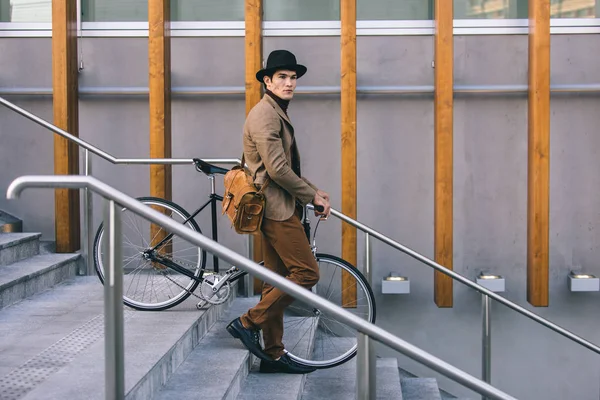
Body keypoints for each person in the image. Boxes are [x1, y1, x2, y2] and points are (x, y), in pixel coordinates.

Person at [226, 49, 331, 374]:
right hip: (276, 209)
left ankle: (272, 353)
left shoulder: (275, 111)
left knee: (274, 282)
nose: (289, 83)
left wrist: (315, 190)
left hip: (278, 205)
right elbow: (277, 169)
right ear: (268, 81)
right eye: (282, 77)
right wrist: (311, 194)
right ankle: (248, 322)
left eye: (293, 78)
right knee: (307, 273)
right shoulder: (265, 115)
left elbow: (285, 167)